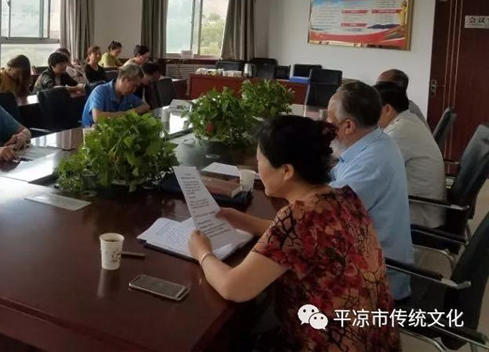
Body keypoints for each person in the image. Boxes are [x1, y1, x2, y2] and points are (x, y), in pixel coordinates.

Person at [188, 116, 400, 351]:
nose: (257, 168)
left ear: (286, 170)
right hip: (377, 341)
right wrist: (242, 220)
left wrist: (202, 253)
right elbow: (303, 239)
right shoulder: (343, 196)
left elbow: (234, 288)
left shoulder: (298, 217)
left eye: (259, 161)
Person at [326, 81, 414, 301]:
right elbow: (335, 177)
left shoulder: (372, 161)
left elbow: (322, 211)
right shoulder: (375, 142)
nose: (327, 127)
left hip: (375, 282)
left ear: (348, 126)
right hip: (368, 259)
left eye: (330, 122)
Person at [374, 81, 446, 228]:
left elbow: (372, 167)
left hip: (419, 216)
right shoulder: (408, 121)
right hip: (417, 203)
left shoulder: (400, 132)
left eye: (371, 110)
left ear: (387, 109)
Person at [81, 63, 150, 127]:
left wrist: (137, 110)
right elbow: (97, 118)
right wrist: (130, 112)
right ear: (124, 79)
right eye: (133, 86)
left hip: (111, 129)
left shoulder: (127, 95)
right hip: (91, 132)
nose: (134, 90)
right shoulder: (100, 91)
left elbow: (146, 106)